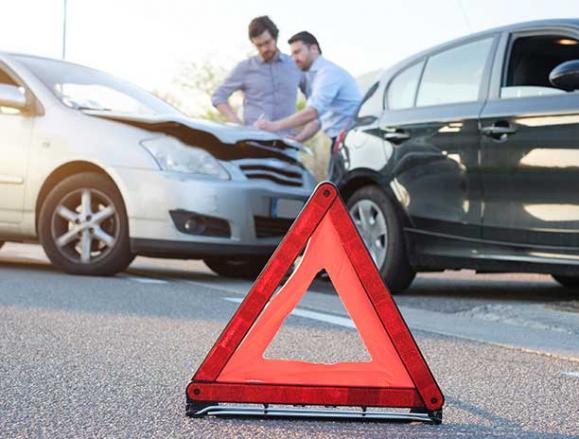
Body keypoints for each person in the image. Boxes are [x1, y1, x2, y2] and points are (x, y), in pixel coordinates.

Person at [254, 31, 362, 148]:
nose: (294, 59)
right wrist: (299, 138)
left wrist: (274, 126)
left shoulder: (328, 73)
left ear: (314, 49)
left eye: (297, 52)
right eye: (292, 54)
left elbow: (311, 112)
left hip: (352, 140)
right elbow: (318, 119)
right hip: (342, 140)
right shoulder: (316, 77)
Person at [211, 16, 304, 137]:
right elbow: (218, 96)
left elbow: (316, 101)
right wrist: (238, 126)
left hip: (288, 143)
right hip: (254, 141)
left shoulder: (295, 65)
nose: (264, 49)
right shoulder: (245, 68)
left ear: (275, 38)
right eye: (259, 45)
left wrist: (302, 133)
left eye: (267, 42)